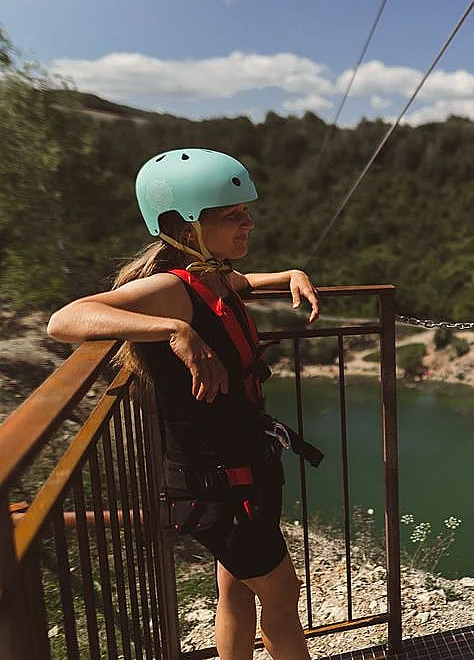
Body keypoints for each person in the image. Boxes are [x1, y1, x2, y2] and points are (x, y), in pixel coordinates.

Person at [47, 148, 321, 660]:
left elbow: (241, 284)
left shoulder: (210, 275)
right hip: (219, 479)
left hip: (234, 472)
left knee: (235, 591)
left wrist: (289, 274)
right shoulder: (171, 290)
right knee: (283, 602)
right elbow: (65, 321)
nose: (249, 223)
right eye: (231, 216)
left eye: (245, 213)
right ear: (189, 228)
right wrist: (173, 331)